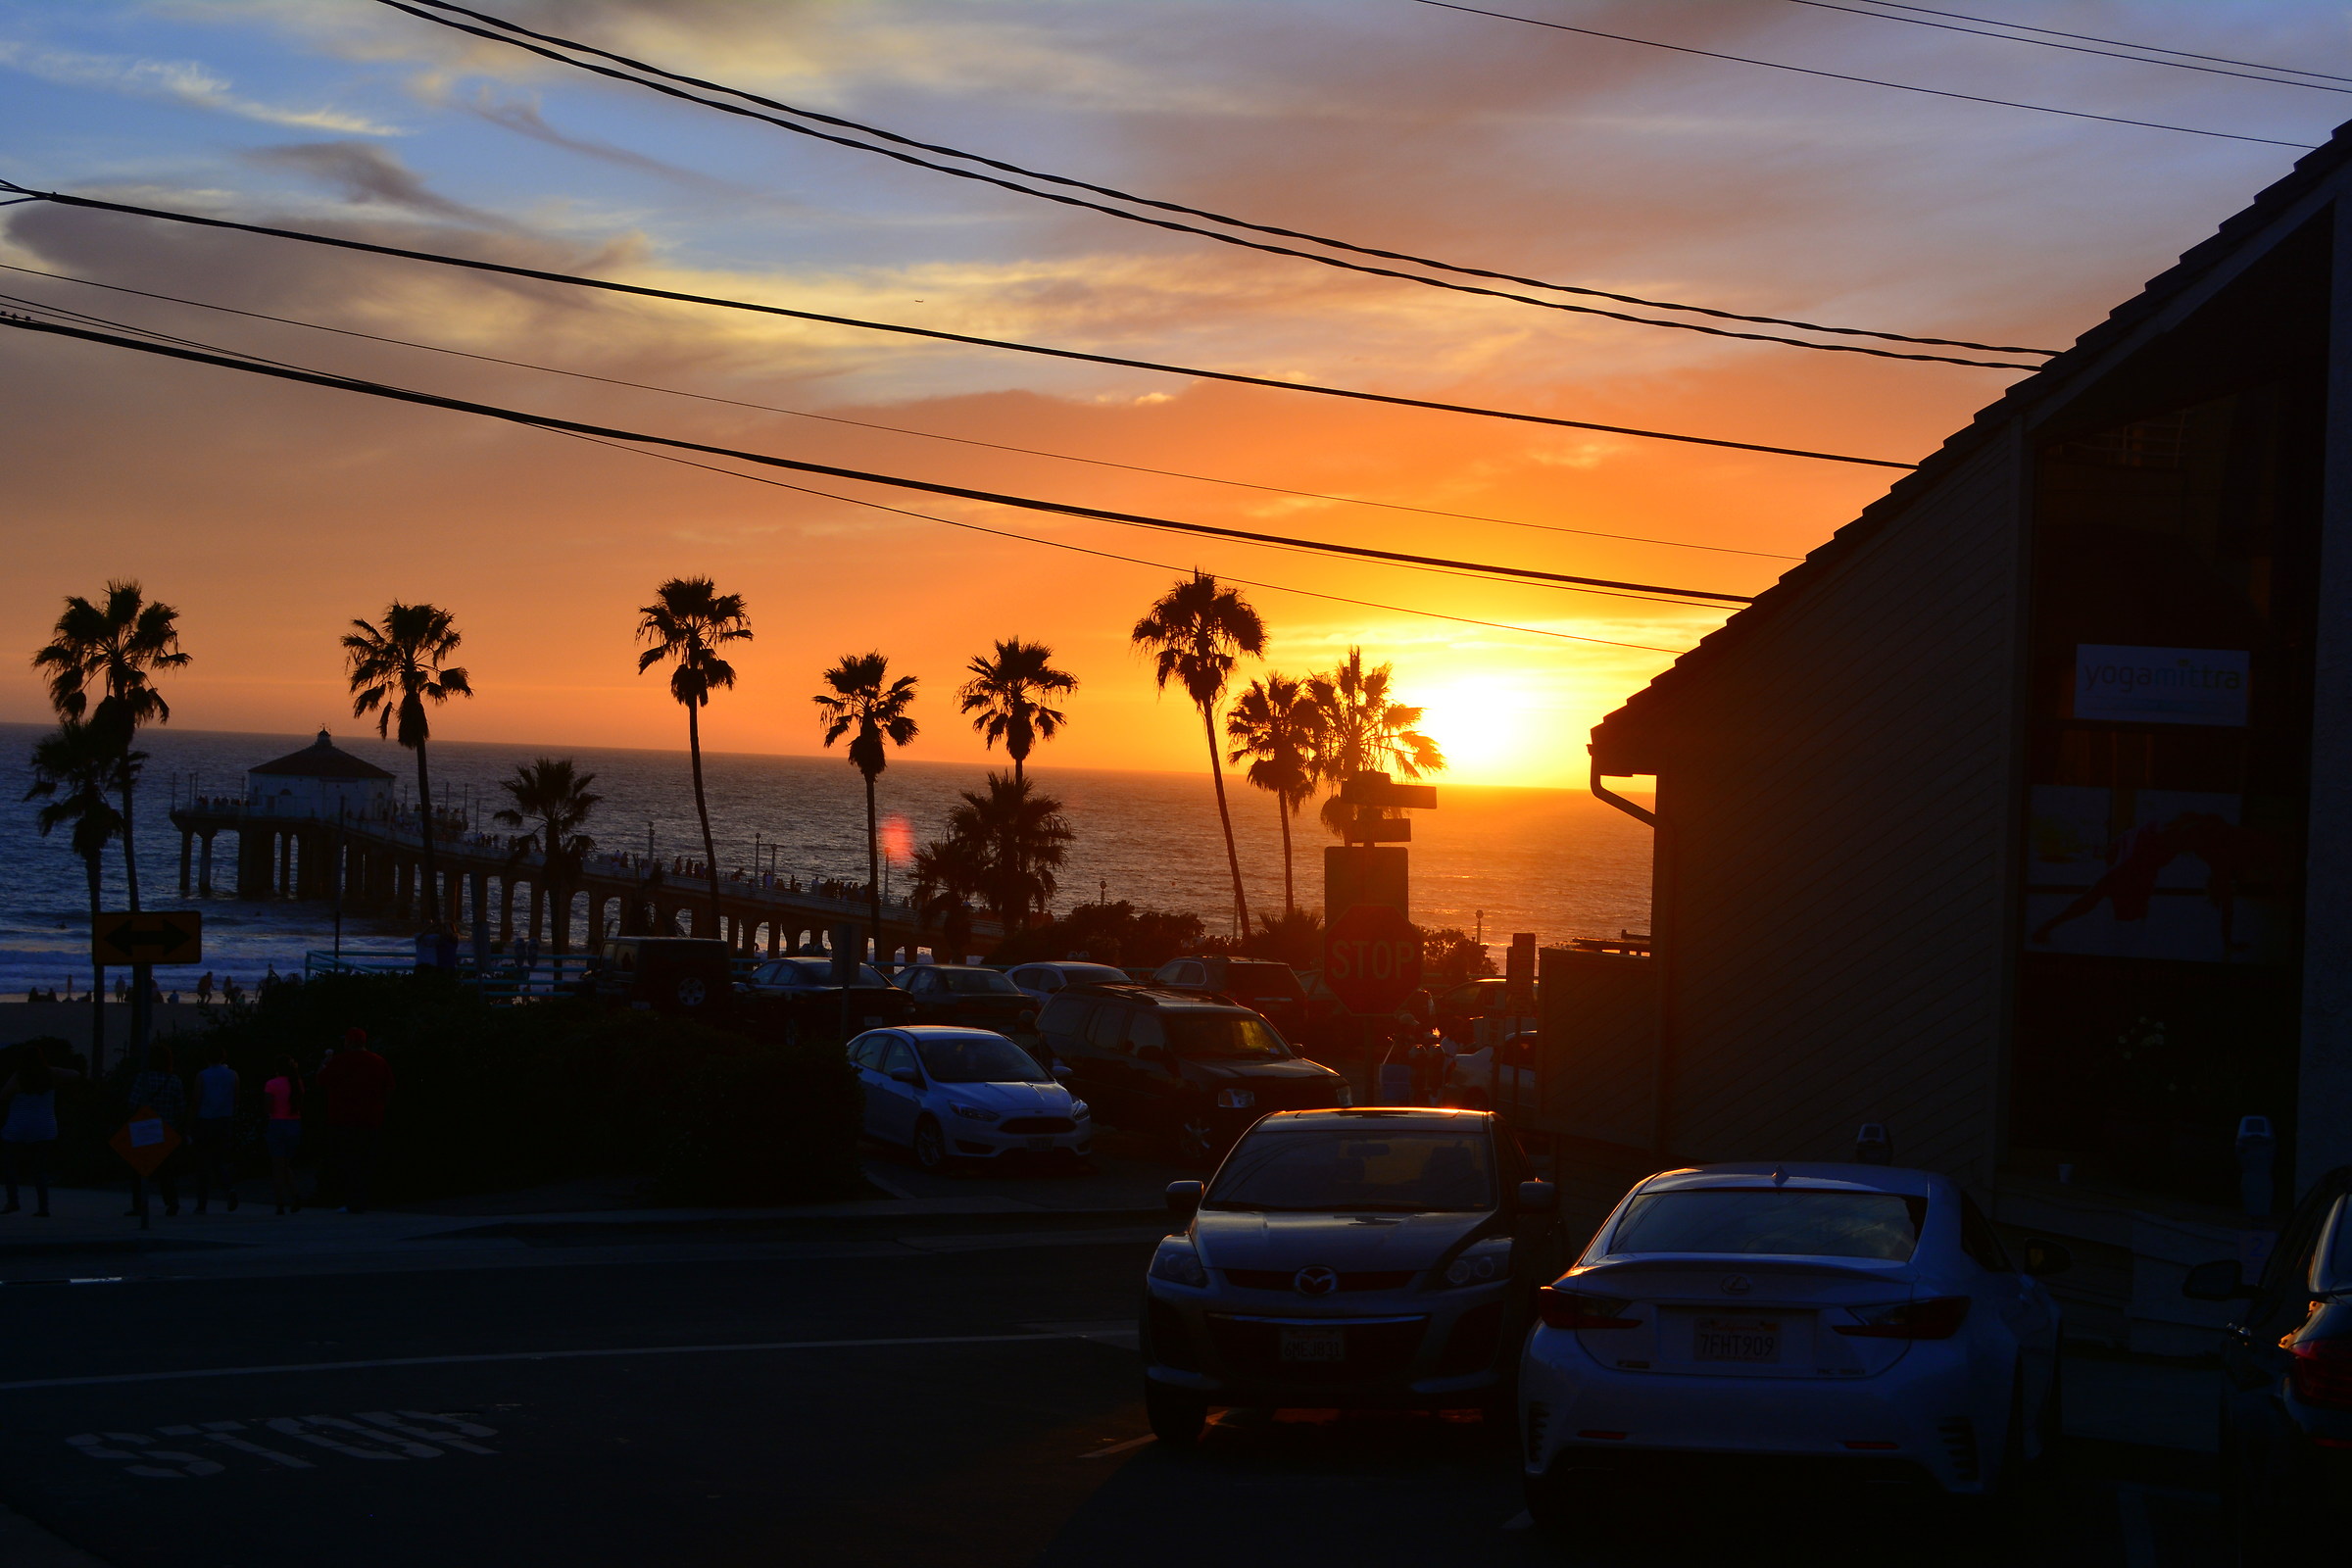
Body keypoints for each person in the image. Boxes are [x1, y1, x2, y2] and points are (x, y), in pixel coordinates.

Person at [317, 1027, 393, 1213]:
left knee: (348, 1161)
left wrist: (324, 1065)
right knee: (366, 1161)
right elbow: (389, 1087)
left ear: (349, 1042)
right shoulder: (378, 1061)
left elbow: (321, 1081)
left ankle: (351, 1201)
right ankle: (363, 1200)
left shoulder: (340, 1061)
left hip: (343, 1119)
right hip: (371, 1119)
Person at [1, 1042, 81, 1217]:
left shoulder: (19, 1077)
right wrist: (51, 1070)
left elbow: (3, 1095)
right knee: (40, 1170)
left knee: (10, 1167)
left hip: (17, 1128)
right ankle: (43, 1207)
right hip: (44, 1128)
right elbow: (75, 1074)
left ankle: (13, 1201)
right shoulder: (51, 1075)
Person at [125, 1042, 187, 1219]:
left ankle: (139, 1205)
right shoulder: (174, 1081)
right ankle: (172, 1202)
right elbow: (181, 1108)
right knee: (166, 1171)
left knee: (139, 1169)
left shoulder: (143, 1078)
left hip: (145, 1127)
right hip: (166, 1128)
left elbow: (132, 1103)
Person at [191, 1046, 240, 1214]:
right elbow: (236, 1098)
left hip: (205, 1120)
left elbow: (196, 1099)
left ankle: (202, 1203)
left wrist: (192, 1121)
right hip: (224, 1120)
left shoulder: (202, 1075)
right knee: (219, 1160)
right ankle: (229, 1189)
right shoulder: (233, 1075)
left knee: (202, 1162)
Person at [263, 1054, 305, 1214]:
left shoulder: (272, 1084)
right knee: (286, 1165)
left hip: (277, 1124)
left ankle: (280, 1203)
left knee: (277, 1167)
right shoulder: (297, 1083)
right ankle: (295, 1195)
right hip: (294, 1124)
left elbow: (268, 1107)